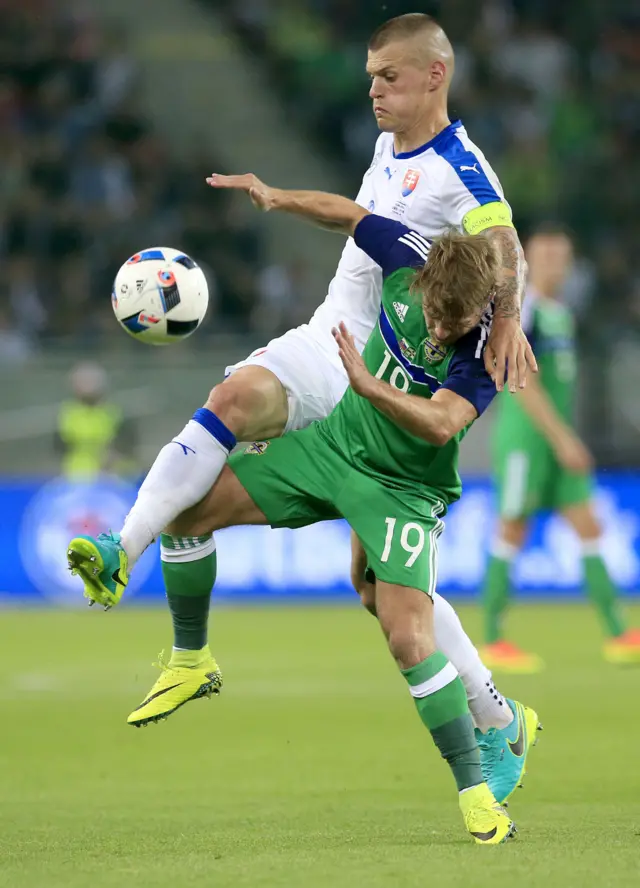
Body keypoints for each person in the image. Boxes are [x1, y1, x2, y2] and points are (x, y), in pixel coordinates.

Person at [66, 13, 539, 805]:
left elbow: (504, 239)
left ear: (434, 76)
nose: (373, 90)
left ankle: (500, 719)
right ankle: (132, 567)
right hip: (331, 342)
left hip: (386, 379)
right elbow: (360, 221)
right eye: (370, 76)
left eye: (388, 76)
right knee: (229, 406)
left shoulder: (463, 169)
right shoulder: (394, 144)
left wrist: (513, 313)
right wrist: (278, 196)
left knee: (378, 592)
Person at [481, 225, 640, 671]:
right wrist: (564, 438)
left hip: (556, 440)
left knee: (589, 525)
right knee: (512, 528)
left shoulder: (560, 312)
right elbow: (520, 380)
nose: (554, 265)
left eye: (560, 258)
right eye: (544, 257)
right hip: (526, 440)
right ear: (526, 260)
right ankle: (491, 638)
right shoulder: (523, 308)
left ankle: (618, 633)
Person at [56, 362, 137, 479]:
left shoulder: (114, 413)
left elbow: (127, 446)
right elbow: (59, 447)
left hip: (111, 477)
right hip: (75, 476)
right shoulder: (67, 413)